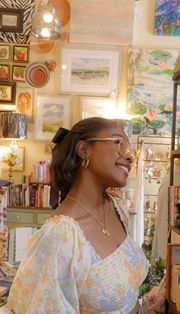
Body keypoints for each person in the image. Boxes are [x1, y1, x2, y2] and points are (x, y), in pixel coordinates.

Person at [7, 117, 149, 314]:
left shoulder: (116, 209)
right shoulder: (60, 235)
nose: (129, 156)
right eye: (119, 143)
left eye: (129, 149)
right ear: (83, 150)